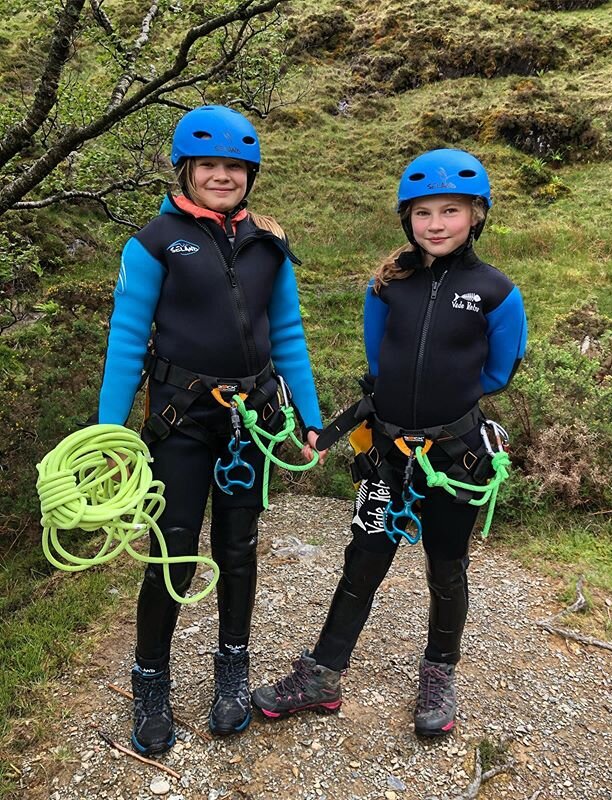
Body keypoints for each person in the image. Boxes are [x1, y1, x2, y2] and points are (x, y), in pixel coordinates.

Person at [252, 148, 527, 737]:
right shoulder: (388, 284)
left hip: (457, 457)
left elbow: (499, 372)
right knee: (364, 559)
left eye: (451, 210)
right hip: (386, 454)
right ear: (407, 218)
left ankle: (440, 674)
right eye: (423, 212)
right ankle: (323, 673)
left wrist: (440, 411)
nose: (436, 224)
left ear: (476, 215)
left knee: (446, 568)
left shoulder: (496, 291)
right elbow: (380, 361)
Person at [96, 105, 323, 753]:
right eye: (209, 166)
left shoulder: (268, 246)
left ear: (249, 173)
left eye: (233, 167)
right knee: (169, 553)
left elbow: (288, 336)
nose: (222, 176)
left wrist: (308, 416)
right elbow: (126, 342)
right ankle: (150, 681)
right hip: (181, 421)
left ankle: (231, 670)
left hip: (249, 422)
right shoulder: (154, 243)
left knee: (238, 549)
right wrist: (107, 433)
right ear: (186, 170)